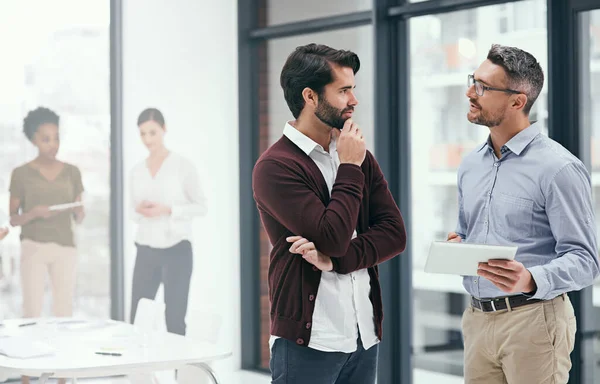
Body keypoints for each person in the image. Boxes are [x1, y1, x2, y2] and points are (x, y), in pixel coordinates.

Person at [252, 43, 406, 384]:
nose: (354, 100)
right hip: (309, 340)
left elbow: (395, 234)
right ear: (310, 96)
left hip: (363, 335)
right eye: (344, 91)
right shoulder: (275, 166)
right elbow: (333, 236)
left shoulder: (355, 151)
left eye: (353, 89)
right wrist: (350, 166)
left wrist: (336, 261)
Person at [447, 44, 600, 384]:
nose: (471, 93)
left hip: (533, 320)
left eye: (484, 87)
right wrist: (459, 245)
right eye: (474, 80)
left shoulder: (558, 168)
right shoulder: (471, 164)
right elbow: (467, 232)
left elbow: (586, 260)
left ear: (518, 101)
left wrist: (530, 279)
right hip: (476, 318)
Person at [9, 107, 85, 384]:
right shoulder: (21, 174)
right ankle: (28, 378)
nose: (52, 144)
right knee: (32, 313)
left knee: (64, 314)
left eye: (56, 137)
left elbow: (80, 213)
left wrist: (78, 210)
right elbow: (13, 219)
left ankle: (64, 377)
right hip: (34, 247)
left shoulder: (72, 172)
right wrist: (34, 213)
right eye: (45, 139)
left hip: (65, 247)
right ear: (33, 140)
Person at [129, 108, 207, 336]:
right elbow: (132, 213)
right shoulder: (136, 171)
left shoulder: (183, 166)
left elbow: (201, 206)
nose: (147, 139)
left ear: (164, 129)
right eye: (142, 134)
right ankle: (142, 372)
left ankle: (178, 372)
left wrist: (169, 210)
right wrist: (140, 210)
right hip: (146, 249)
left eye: (152, 132)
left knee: (174, 320)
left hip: (177, 250)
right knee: (138, 319)